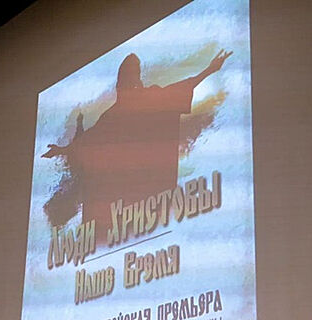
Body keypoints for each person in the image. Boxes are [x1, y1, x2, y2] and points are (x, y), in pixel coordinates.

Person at [43, 49, 232, 244]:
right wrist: (62, 150)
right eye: (131, 74)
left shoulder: (147, 99)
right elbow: (88, 141)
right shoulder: (113, 114)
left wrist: (209, 70)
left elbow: (178, 89)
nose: (134, 79)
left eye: (135, 73)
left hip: (146, 193)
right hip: (121, 197)